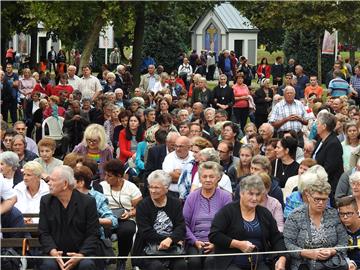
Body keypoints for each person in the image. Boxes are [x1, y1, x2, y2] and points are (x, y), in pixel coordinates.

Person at [209, 174, 287, 270]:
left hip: (258, 261)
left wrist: (282, 258)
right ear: (241, 193)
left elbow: (277, 238)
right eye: (251, 194)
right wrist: (238, 244)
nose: (254, 198)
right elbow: (214, 235)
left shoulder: (264, 213)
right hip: (231, 262)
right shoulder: (227, 211)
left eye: (258, 194)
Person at [38, 165, 100, 270]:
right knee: (48, 266)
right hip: (54, 254)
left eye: (52, 180)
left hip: (81, 253)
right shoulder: (46, 201)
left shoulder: (88, 202)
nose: (49, 183)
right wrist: (53, 252)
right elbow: (43, 232)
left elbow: (93, 234)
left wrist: (80, 255)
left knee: (87, 265)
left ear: (65, 184)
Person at [283, 180, 349, 270]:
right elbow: (288, 244)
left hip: (331, 264)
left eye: (324, 199)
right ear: (308, 197)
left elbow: (344, 242)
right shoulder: (295, 216)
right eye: (317, 199)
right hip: (304, 264)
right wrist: (307, 253)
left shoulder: (333, 214)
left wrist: (331, 251)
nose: (321, 203)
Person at [133, 170, 187, 270]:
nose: (153, 190)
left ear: (166, 189)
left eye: (156, 187)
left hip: (172, 248)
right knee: (156, 267)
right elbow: (145, 232)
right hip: (147, 249)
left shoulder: (175, 203)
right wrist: (169, 240)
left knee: (181, 266)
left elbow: (181, 227)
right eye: (151, 187)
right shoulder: (142, 205)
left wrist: (170, 240)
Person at [183, 161, 232, 270]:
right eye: (204, 176)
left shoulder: (226, 197)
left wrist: (217, 243)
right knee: (194, 262)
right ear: (200, 179)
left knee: (211, 261)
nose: (208, 180)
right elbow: (184, 224)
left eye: (211, 176)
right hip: (195, 242)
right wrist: (194, 241)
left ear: (218, 178)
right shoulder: (192, 197)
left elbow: (230, 224)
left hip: (219, 243)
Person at [102, 159, 142, 269]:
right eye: (105, 175)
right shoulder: (101, 186)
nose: (106, 178)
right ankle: (106, 257)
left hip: (125, 217)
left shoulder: (131, 187)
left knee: (127, 230)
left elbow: (139, 208)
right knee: (101, 229)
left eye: (109, 176)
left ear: (119, 176)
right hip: (106, 217)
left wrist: (130, 213)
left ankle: (122, 259)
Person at [312, 112, 344, 197]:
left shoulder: (334, 144)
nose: (316, 125)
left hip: (328, 186)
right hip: (316, 181)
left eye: (318, 123)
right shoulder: (320, 139)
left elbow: (328, 168)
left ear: (324, 126)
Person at [336, 196, 360, 270]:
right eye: (341, 214)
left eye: (349, 213)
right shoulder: (338, 229)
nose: (345, 217)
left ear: (357, 213)